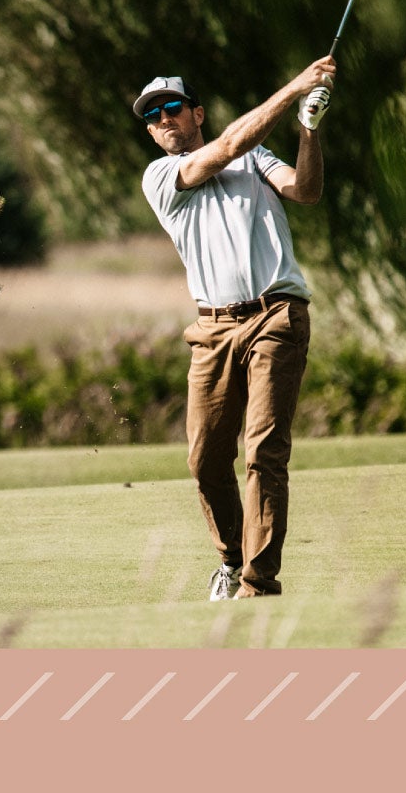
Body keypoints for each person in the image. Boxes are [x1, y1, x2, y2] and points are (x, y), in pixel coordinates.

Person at [134, 59, 333, 601]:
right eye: (152, 117)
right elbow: (224, 149)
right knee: (204, 461)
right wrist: (295, 87)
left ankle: (257, 582)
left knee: (264, 451)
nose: (163, 120)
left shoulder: (258, 159)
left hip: (277, 316)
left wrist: (308, 130)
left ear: (195, 112)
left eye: (172, 107)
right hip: (213, 329)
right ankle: (232, 559)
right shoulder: (162, 177)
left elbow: (306, 190)